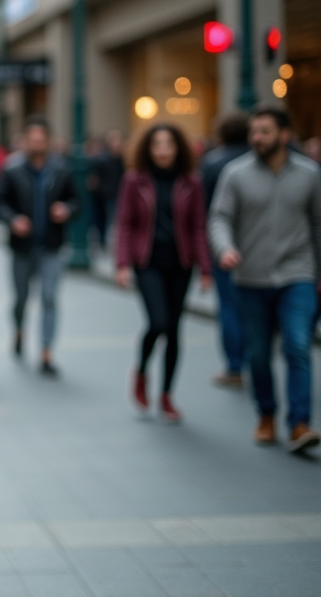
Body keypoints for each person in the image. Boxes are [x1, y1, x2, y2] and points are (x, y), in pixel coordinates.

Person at [209, 106, 321, 453]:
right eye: (253, 132)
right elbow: (220, 218)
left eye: (265, 131)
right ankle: (267, 415)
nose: (257, 138)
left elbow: (318, 224)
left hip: (297, 273)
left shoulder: (310, 174)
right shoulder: (235, 173)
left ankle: (299, 423)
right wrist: (225, 248)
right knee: (258, 354)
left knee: (297, 346)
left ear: (284, 135)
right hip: (250, 277)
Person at [115, 123, 212, 422]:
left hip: (180, 263)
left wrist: (206, 268)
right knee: (158, 322)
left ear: (177, 147)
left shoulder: (190, 182)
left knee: (173, 329)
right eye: (157, 144)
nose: (163, 150)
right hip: (148, 262)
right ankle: (142, 371)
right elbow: (125, 223)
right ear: (148, 148)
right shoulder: (135, 180)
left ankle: (167, 395)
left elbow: (198, 225)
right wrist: (122, 264)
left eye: (168, 144)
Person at [0, 116, 78, 377]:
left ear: (48, 141)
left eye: (41, 140)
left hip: (51, 247)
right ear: (25, 141)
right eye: (32, 140)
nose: (36, 144)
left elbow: (77, 200)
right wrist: (12, 219)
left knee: (50, 297)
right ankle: (19, 330)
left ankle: (46, 352)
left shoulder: (61, 170)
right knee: (21, 298)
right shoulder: (11, 170)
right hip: (21, 248)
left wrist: (67, 209)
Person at [199, 112, 250, 388]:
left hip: (222, 244)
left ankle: (234, 365)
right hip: (254, 244)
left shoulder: (213, 162)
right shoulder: (255, 160)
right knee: (251, 306)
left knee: (229, 305)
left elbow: (204, 208)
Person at [89, 130, 125, 248]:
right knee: (108, 220)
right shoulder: (102, 160)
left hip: (122, 195)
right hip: (107, 195)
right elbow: (95, 179)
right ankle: (106, 243)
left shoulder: (126, 160)